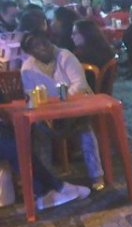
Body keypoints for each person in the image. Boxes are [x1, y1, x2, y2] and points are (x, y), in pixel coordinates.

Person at [19, 32, 106, 191]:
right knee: (39, 133)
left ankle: (96, 174)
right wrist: (51, 107)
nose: (43, 48)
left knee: (85, 130)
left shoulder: (65, 56)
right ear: (30, 52)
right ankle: (47, 180)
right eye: (36, 46)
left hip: (77, 108)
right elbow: (31, 94)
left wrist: (62, 101)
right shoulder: (28, 68)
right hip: (49, 114)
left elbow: (79, 84)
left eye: (44, 42)